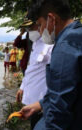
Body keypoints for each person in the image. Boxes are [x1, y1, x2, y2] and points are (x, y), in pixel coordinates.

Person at [20, 0, 82, 130]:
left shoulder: (65, 47)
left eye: (40, 24)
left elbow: (59, 110)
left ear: (51, 19)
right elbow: (69, 88)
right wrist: (41, 104)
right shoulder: (76, 35)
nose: (41, 31)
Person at [16, 20, 53, 129]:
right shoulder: (36, 43)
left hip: (41, 101)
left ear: (39, 25)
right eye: (27, 29)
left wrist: (45, 102)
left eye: (30, 28)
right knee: (33, 124)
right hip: (31, 97)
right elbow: (31, 68)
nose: (29, 31)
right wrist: (22, 87)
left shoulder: (50, 43)